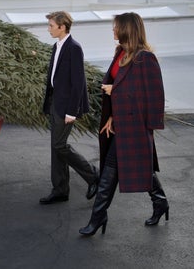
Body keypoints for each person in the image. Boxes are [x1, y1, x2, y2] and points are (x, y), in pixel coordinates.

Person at [79, 12, 169, 236]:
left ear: (127, 29)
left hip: (135, 127)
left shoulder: (145, 58)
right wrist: (112, 116)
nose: (113, 30)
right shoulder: (120, 53)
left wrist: (114, 90)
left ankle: (98, 218)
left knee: (112, 171)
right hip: (120, 124)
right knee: (135, 167)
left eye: (116, 26)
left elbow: (152, 94)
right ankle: (160, 203)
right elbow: (119, 83)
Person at [40, 11, 99, 205]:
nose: (48, 29)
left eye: (51, 26)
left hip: (66, 106)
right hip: (56, 102)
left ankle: (92, 176)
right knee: (55, 147)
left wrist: (72, 111)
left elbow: (78, 82)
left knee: (59, 145)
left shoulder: (74, 48)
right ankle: (60, 190)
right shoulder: (57, 46)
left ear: (62, 26)